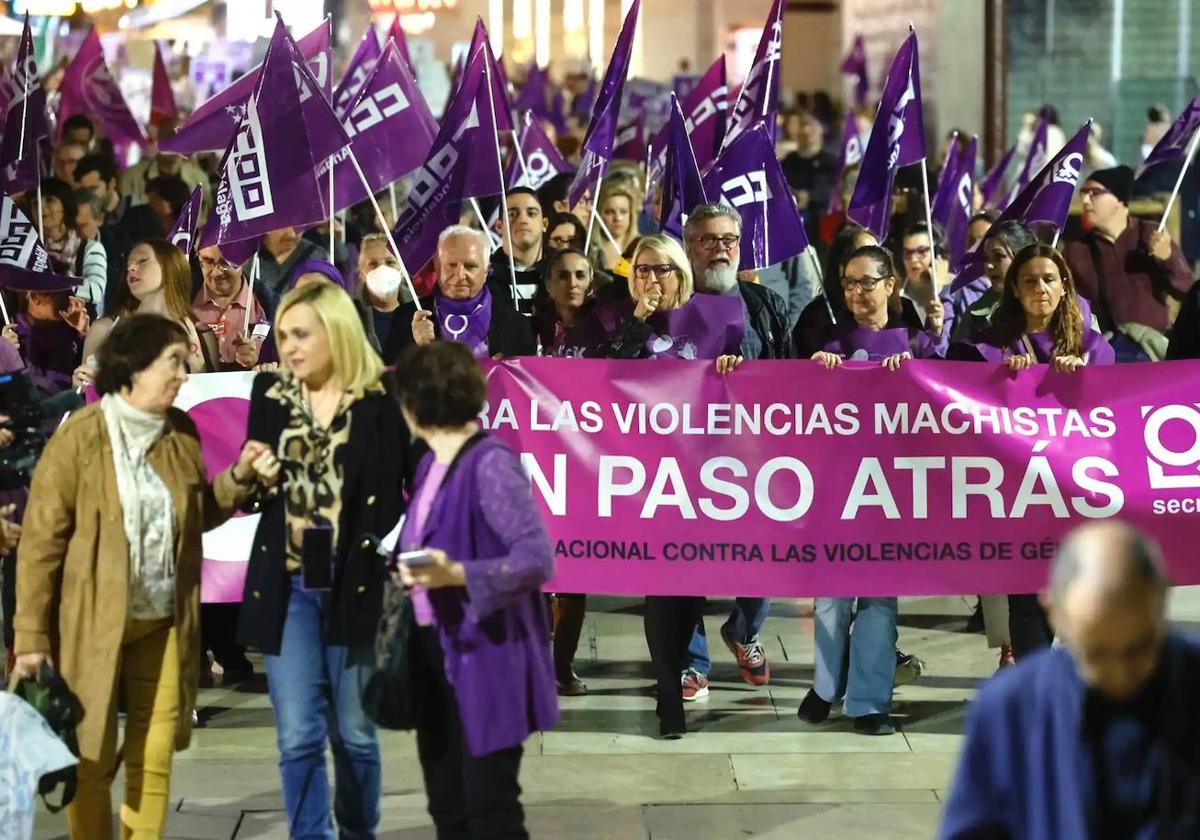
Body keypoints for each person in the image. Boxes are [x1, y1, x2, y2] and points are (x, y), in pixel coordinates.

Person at [11, 313, 268, 838]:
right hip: (90, 628)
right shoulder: (79, 439)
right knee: (92, 758)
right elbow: (40, 545)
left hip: (163, 623)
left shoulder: (181, 433)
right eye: (174, 361)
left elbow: (197, 513)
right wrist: (31, 637)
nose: (185, 372)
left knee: (154, 758)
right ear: (133, 367)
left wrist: (239, 480)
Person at [238, 280, 412, 838]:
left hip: (357, 584)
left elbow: (420, 489)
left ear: (336, 333)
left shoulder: (383, 406)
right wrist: (251, 477)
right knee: (297, 735)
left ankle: (359, 831)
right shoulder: (268, 398)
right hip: (287, 586)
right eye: (284, 334)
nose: (288, 347)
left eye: (301, 334)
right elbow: (254, 497)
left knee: (355, 736)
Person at [570, 233, 744, 736]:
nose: (650, 279)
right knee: (659, 590)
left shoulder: (718, 317)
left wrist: (734, 368)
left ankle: (684, 667)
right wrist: (638, 321)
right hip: (644, 477)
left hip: (703, 476)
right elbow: (604, 378)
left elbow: (749, 383)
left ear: (680, 273)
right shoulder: (614, 320)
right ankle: (669, 694)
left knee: (687, 591)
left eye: (661, 270)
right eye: (641, 270)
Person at [938, 522, 1200, 840]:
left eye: (1138, 649)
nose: (1119, 674)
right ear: (1053, 611)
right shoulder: (1009, 708)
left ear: (1159, 599)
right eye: (1097, 654)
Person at [392, 340, 558, 837]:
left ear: (418, 402)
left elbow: (536, 558)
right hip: (435, 652)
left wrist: (458, 574)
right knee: (447, 803)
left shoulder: (490, 463)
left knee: (490, 807)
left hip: (487, 656)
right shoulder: (428, 464)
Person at [797, 244, 943, 737]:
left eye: (866, 282)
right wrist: (812, 375)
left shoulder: (920, 345)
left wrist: (932, 360)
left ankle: (868, 702)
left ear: (890, 285)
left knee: (879, 600)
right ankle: (824, 686)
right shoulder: (832, 344)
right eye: (848, 283)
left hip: (893, 491)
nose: (857, 292)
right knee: (831, 598)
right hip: (837, 489)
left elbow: (955, 399)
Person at [951, 245, 1115, 660]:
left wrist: (1086, 381)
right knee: (1026, 594)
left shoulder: (1093, 347)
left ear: (1064, 288)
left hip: (1075, 488)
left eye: (1049, 279)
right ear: (1015, 290)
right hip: (1017, 490)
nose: (1040, 288)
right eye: (1030, 280)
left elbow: (1115, 413)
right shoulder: (990, 347)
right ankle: (1036, 686)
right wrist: (996, 381)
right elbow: (953, 391)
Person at [673, 204, 791, 698]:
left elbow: (790, 374)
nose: (720, 248)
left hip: (753, 456)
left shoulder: (765, 305)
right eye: (707, 240)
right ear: (688, 247)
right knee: (682, 561)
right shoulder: (668, 302)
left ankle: (743, 630)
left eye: (728, 240)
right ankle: (691, 661)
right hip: (680, 457)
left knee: (763, 555)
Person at [1064, 165, 1194, 361]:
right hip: (1107, 352)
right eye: (1083, 193)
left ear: (1119, 200)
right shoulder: (1077, 251)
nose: (1085, 200)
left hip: (1154, 350)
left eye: (1095, 193)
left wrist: (1167, 258)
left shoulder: (1150, 234)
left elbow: (1188, 290)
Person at [74, 239, 220, 389]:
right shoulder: (105, 330)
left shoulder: (202, 334)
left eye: (143, 260)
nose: (131, 267)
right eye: (129, 263)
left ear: (170, 267)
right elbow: (85, 399)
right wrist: (81, 384)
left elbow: (212, 401)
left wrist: (196, 363)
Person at [404, 226, 537, 359]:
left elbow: (527, 377)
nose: (460, 275)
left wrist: (505, 370)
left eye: (470, 266)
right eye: (451, 265)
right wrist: (420, 350)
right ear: (437, 268)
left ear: (486, 271)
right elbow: (391, 376)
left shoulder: (516, 326)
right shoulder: (405, 320)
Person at [193, 245, 268, 370]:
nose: (217, 272)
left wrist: (256, 364)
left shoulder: (268, 305)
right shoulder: (182, 303)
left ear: (245, 259)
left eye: (226, 262)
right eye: (208, 262)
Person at [119, 115, 211, 207]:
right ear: (158, 140)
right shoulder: (133, 176)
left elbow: (206, 215)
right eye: (169, 137)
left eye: (180, 137)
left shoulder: (199, 180)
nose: (175, 143)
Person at [490, 186, 550, 315]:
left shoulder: (562, 272)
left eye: (531, 213)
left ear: (544, 224)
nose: (523, 220)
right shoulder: (485, 276)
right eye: (512, 214)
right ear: (499, 226)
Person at [780, 112, 837, 235]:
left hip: (820, 219)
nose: (808, 139)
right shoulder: (789, 161)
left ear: (819, 136)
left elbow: (832, 189)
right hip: (792, 218)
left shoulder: (830, 162)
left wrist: (809, 196)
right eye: (803, 135)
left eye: (811, 134)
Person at [71, 188, 109, 314]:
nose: (75, 232)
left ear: (100, 219)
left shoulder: (119, 250)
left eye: (82, 225)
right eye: (72, 225)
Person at [595, 178, 641, 271]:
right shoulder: (592, 250)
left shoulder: (642, 248)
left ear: (631, 215)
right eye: (610, 212)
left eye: (623, 212)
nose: (617, 218)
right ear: (600, 214)